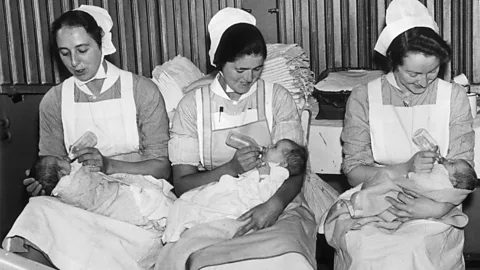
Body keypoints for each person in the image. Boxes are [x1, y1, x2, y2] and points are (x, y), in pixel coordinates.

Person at [3, 5, 170, 270]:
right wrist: (44, 183)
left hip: (136, 205)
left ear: (101, 43)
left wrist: (109, 165)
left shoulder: (141, 91)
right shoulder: (54, 101)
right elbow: (54, 165)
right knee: (35, 211)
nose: (75, 63)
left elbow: (162, 168)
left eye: (83, 50)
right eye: (65, 53)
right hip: (79, 200)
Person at [159, 7, 319, 270]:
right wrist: (231, 169)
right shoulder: (192, 106)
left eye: (257, 69)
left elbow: (295, 169)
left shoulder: (276, 98)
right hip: (213, 208)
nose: (249, 78)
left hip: (279, 202)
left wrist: (273, 206)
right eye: (241, 69)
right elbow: (182, 185)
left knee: (286, 259)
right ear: (220, 62)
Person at [339, 0, 475, 268]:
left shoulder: (454, 97)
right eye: (413, 73)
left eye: (433, 71)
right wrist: (406, 168)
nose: (423, 82)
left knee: (411, 250)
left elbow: (464, 171)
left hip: (436, 206)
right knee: (366, 252)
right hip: (373, 201)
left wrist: (436, 209)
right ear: (393, 63)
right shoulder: (365, 97)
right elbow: (354, 170)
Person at [163, 139, 307, 243]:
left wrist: (264, 175)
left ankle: (179, 230)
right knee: (195, 200)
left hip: (245, 202)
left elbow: (265, 195)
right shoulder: (268, 167)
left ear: (283, 163)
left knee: (206, 207)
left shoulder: (278, 173)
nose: (269, 145)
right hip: (236, 189)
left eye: (275, 147)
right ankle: (179, 227)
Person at [29, 155, 175, 230]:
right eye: (60, 160)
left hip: (126, 174)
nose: (64, 157)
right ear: (61, 172)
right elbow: (87, 183)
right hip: (107, 209)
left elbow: (162, 168)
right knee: (145, 203)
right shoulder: (71, 184)